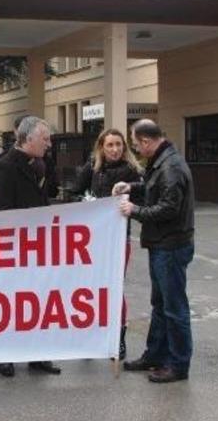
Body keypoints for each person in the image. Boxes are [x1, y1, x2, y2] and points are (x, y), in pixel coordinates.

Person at [113, 119, 195, 383]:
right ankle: (156, 355)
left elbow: (168, 208)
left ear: (147, 141)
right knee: (160, 305)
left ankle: (178, 364)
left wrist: (134, 210)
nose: (136, 149)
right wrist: (131, 187)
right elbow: (152, 188)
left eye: (136, 144)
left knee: (173, 308)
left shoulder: (170, 166)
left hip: (170, 245)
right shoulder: (162, 160)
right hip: (163, 244)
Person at [0, 116, 61, 377]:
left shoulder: (41, 163)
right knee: (12, 302)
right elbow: (2, 209)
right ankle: (6, 356)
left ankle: (37, 354)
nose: (49, 144)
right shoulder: (5, 166)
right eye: (45, 139)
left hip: (38, 244)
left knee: (37, 300)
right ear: (28, 139)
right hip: (15, 245)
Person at [73, 128, 143, 360]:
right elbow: (73, 193)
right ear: (101, 147)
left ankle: (118, 338)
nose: (115, 149)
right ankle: (90, 337)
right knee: (90, 288)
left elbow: (143, 199)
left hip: (118, 238)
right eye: (110, 145)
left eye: (119, 145)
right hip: (92, 239)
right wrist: (86, 201)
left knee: (115, 287)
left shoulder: (132, 171)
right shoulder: (93, 168)